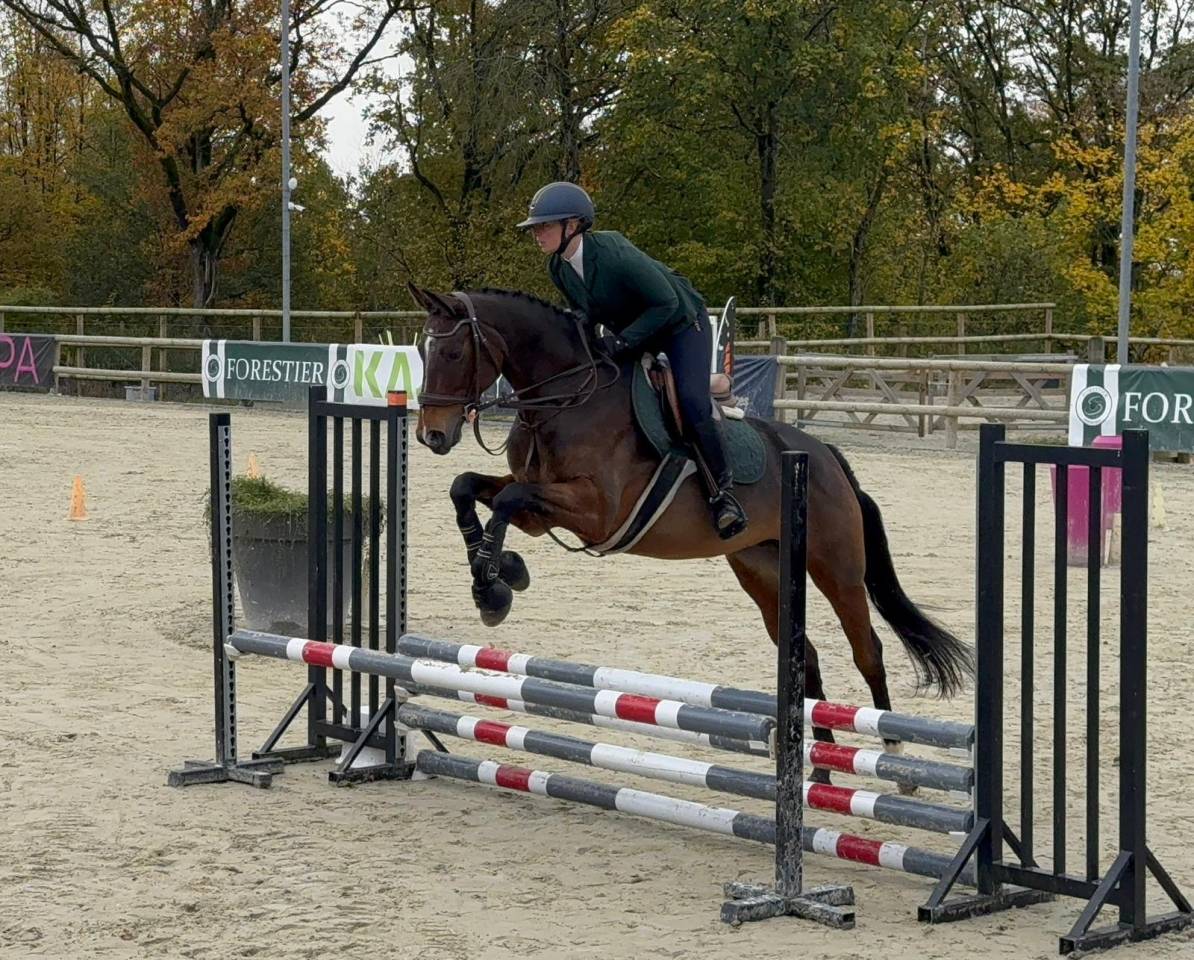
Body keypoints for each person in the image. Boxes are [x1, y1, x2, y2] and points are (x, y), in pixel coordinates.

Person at [517, 181, 748, 540]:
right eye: (535, 227)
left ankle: (723, 494)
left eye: (544, 226)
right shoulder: (558, 268)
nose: (537, 234)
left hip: (681, 324)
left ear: (573, 226)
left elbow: (666, 303)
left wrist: (622, 341)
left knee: (690, 401)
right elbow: (585, 312)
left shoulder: (613, 253)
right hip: (636, 330)